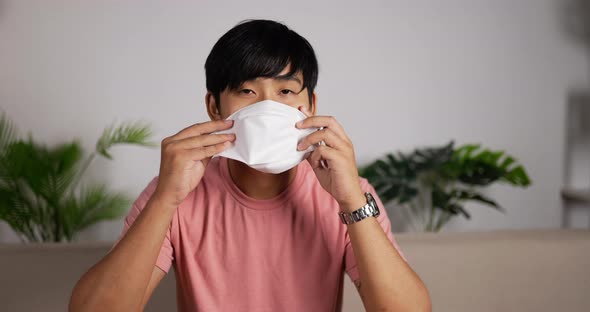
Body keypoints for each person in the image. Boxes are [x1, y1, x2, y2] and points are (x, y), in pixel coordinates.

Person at [69, 19, 431, 312]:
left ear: (311, 105)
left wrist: (352, 202)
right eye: (247, 92)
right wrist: (166, 199)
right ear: (214, 107)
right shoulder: (175, 190)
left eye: (286, 92)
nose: (267, 107)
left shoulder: (348, 193)